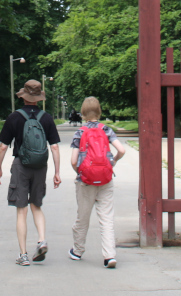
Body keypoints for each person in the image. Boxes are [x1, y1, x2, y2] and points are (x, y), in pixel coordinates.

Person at [0, 79, 62, 266]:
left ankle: (23, 255)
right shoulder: (46, 118)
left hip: (20, 166)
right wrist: (57, 172)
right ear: (39, 98)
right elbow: (54, 147)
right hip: (40, 167)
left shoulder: (14, 117)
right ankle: (41, 240)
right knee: (36, 206)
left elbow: (3, 147)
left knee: (21, 211)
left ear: (24, 96)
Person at [69, 96, 125, 269]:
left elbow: (73, 160)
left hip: (86, 181)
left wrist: (81, 173)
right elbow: (121, 150)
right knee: (106, 218)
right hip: (105, 179)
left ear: (83, 113)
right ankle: (109, 256)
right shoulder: (106, 130)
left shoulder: (80, 132)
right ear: (99, 111)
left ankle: (78, 251)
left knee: (83, 217)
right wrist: (113, 161)